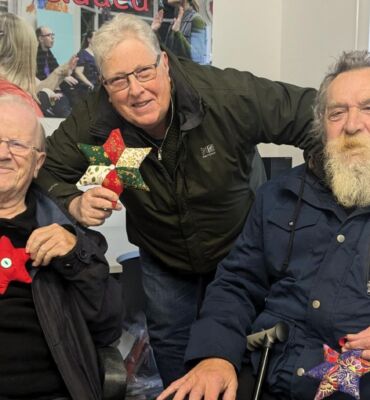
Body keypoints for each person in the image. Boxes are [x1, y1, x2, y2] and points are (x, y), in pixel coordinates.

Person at [35, 13, 318, 387]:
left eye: (144, 72)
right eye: (119, 80)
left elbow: (314, 115)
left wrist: (302, 211)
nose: (135, 90)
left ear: (164, 62)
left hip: (238, 254)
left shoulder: (225, 95)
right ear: (104, 85)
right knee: (172, 353)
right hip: (162, 255)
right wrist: (72, 203)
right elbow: (44, 170)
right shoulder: (92, 117)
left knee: (245, 353)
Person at [158, 50, 370, 400]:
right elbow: (237, 284)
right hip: (265, 375)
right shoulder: (279, 194)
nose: (351, 125)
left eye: (367, 108)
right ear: (321, 125)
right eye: (337, 112)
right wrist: (216, 355)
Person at [0, 93, 123, 399]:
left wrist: (76, 259)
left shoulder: (67, 233)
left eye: (16, 145)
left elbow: (108, 327)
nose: (3, 154)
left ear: (38, 162)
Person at [36, 25, 79, 114]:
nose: (52, 38)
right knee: (62, 108)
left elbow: (58, 70)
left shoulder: (49, 54)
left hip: (53, 91)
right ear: (40, 38)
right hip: (44, 93)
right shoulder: (34, 56)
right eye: (48, 35)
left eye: (53, 35)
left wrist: (65, 74)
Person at [152, 0, 209, 64]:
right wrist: (154, 32)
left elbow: (198, 57)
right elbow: (167, 53)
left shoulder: (196, 19)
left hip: (187, 73)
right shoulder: (175, 21)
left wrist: (177, 33)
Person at [74, 30, 99, 100]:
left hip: (98, 87)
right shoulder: (82, 54)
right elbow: (78, 72)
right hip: (86, 89)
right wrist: (90, 84)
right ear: (89, 39)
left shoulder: (98, 54)